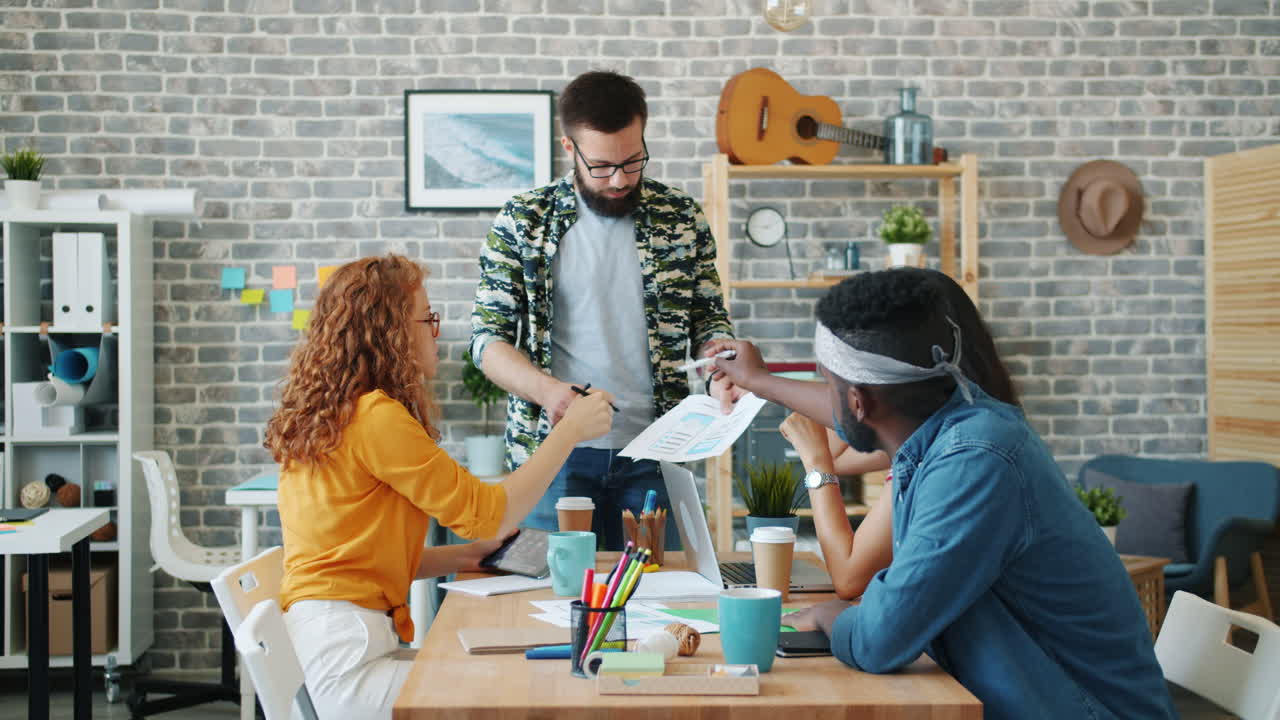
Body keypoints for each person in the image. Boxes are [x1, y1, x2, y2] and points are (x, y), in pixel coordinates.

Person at [721, 269, 1177, 719]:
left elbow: (879, 639)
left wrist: (828, 616)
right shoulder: (958, 421)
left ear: (859, 400)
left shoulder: (973, 464)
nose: (826, 400)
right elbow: (856, 404)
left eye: (828, 382)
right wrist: (759, 380)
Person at [265, 255, 614, 719]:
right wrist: (568, 432)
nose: (436, 331)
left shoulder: (336, 415)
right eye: (427, 318)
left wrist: (465, 557)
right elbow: (491, 515)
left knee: (510, 679)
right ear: (390, 331)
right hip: (348, 666)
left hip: (333, 647)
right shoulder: (375, 418)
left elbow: (357, 559)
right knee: (522, 693)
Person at [470, 70, 739, 550]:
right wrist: (550, 393)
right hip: (553, 456)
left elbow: (708, 319)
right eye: (601, 166)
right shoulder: (525, 220)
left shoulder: (680, 217)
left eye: (632, 161)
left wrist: (720, 363)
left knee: (658, 588)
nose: (619, 179)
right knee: (549, 588)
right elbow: (488, 341)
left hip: (657, 452)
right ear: (569, 148)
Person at [708, 269, 1021, 600]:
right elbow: (841, 451)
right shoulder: (954, 418)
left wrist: (816, 464)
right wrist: (761, 382)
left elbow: (849, 578)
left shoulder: (950, 450)